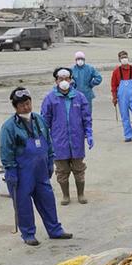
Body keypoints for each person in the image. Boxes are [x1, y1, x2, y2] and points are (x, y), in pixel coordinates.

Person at [0, 87, 73, 246]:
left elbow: (48, 140)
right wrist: (10, 170)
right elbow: (6, 150)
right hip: (22, 172)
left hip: (40, 170)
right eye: (22, 105)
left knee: (47, 199)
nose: (26, 107)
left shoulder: (39, 120)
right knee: (23, 204)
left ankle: (55, 230)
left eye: (28, 103)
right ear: (15, 107)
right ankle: (28, 234)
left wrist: (50, 160)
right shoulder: (9, 127)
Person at [41, 67, 93, 205]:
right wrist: (44, 139)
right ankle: (66, 195)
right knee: (62, 170)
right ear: (56, 80)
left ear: (71, 80)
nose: (64, 81)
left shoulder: (79, 97)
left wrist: (89, 132)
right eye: (61, 79)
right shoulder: (50, 98)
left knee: (79, 168)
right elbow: (44, 121)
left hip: (77, 139)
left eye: (66, 78)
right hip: (58, 141)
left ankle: (80, 194)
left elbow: (86, 117)